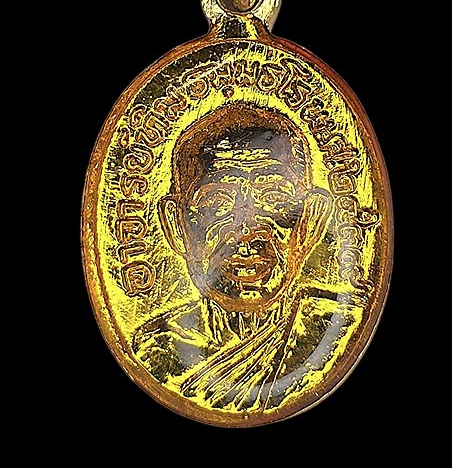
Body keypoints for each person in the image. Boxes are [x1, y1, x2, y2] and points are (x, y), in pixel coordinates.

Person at [133, 102, 357, 413]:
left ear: (312, 221)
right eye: (217, 203)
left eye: (275, 199)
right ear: (177, 226)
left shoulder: (340, 326)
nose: (246, 229)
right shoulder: (156, 349)